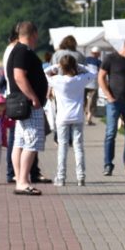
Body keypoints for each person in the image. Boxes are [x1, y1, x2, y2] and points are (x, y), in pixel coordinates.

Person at [7, 21, 49, 196]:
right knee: (32, 141)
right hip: (28, 104)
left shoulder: (16, 50)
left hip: (21, 104)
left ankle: (20, 179)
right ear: (33, 34)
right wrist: (33, 97)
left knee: (20, 142)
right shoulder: (23, 51)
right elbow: (19, 76)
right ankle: (23, 181)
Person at [47, 55, 98, 187]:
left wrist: (55, 66)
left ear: (62, 67)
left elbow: (44, 73)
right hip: (77, 116)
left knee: (62, 147)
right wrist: (79, 66)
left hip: (62, 118)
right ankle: (81, 176)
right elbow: (93, 72)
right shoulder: (80, 79)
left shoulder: (57, 80)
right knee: (78, 147)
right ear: (74, 66)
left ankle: (61, 177)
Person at [99, 36, 125, 176]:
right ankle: (108, 164)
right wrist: (108, 96)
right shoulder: (111, 58)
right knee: (111, 133)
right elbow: (101, 77)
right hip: (114, 101)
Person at [84, 46, 102, 125]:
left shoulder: (86, 60)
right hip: (94, 84)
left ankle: (87, 117)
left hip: (84, 83)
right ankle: (89, 118)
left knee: (84, 101)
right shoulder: (99, 62)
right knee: (92, 102)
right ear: (99, 54)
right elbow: (101, 73)